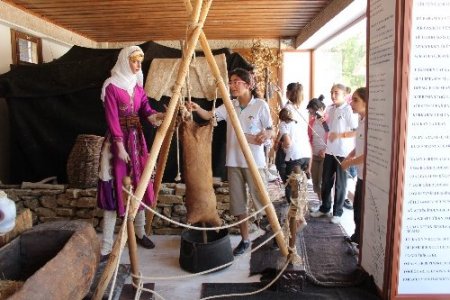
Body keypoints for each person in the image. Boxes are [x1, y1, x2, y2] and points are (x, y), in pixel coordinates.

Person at [187, 67, 273, 256]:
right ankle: (245, 240)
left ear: (248, 84)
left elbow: (270, 130)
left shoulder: (260, 105)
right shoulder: (229, 105)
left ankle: (272, 237)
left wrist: (265, 134)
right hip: (233, 162)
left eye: (236, 82)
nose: (232, 85)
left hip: (255, 162)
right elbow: (211, 116)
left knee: (262, 202)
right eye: (231, 82)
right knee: (238, 204)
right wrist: (197, 108)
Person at [97, 46, 165, 261]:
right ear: (124, 61)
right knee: (116, 185)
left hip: (137, 141)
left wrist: (157, 116)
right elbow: (111, 118)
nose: (137, 66)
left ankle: (140, 232)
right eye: (134, 61)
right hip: (118, 143)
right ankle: (106, 246)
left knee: (139, 184)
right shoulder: (111, 86)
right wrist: (119, 146)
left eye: (140, 62)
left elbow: (145, 109)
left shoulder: (137, 87)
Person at [310, 83, 358, 224]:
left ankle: (337, 212)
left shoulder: (349, 110)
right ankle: (325, 208)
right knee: (326, 181)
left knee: (340, 184)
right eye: (332, 92)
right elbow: (328, 129)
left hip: (344, 153)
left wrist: (339, 136)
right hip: (330, 151)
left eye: (336, 93)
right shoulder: (330, 109)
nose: (333, 95)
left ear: (344, 95)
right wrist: (321, 122)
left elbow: (356, 131)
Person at [277, 82, 311, 204]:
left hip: (294, 154)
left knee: (291, 186)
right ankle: (297, 212)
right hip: (305, 152)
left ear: (288, 93)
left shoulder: (285, 115)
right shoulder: (303, 110)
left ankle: (295, 217)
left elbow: (287, 143)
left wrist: (279, 144)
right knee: (298, 185)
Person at [340, 87, 367, 245]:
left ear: (367, 102)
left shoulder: (372, 122)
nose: (352, 103)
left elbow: (370, 152)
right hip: (361, 173)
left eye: (356, 100)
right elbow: (360, 145)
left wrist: (349, 162)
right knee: (357, 209)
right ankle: (357, 236)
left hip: (369, 175)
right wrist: (350, 155)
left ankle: (362, 242)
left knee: (361, 210)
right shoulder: (361, 120)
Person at [306, 95, 328, 202]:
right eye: (310, 112)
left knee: (323, 181)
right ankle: (319, 202)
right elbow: (309, 139)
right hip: (314, 155)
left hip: (325, 156)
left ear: (321, 110)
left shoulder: (327, 122)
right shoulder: (311, 122)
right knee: (315, 181)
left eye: (313, 112)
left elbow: (331, 137)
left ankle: (325, 203)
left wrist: (325, 150)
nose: (312, 115)